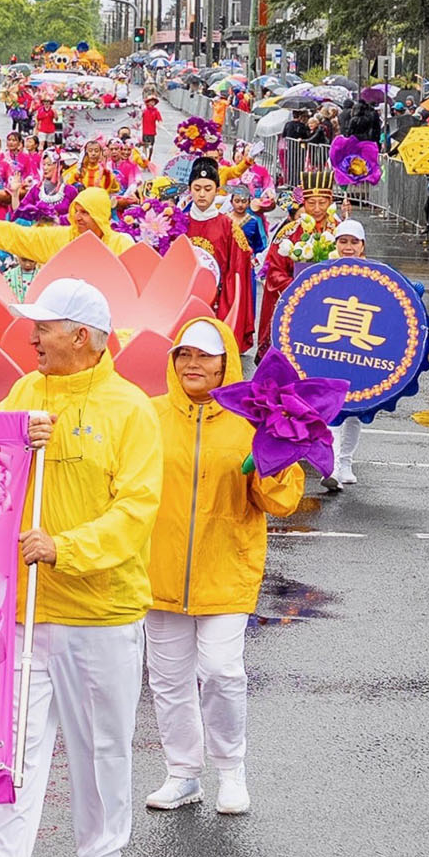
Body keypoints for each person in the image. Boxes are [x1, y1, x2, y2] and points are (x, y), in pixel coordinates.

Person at [0, 278, 163, 857]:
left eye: (46, 326)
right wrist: (9, 434)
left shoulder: (129, 410)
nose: (31, 335)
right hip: (28, 609)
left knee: (100, 746)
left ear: (83, 337)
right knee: (16, 743)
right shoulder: (28, 392)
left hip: (100, 609)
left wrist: (67, 547)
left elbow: (138, 509)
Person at [141, 318, 303, 819]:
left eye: (205, 356)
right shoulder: (146, 416)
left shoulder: (253, 420)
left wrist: (273, 461)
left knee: (221, 671)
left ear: (225, 362)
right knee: (167, 681)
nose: (193, 364)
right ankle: (182, 774)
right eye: (184, 355)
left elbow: (283, 501)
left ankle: (231, 771)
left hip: (227, 568)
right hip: (158, 572)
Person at [0, 183, 134, 262]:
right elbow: (10, 234)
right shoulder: (59, 238)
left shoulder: (122, 244)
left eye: (86, 213)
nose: (78, 217)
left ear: (101, 216)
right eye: (77, 211)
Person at [257, 171, 339, 357]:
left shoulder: (341, 232)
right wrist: (298, 287)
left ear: (331, 201)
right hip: (295, 301)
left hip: (330, 304)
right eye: (311, 203)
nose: (317, 209)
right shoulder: (289, 232)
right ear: (303, 203)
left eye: (322, 202)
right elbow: (274, 269)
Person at [181, 157, 255, 348]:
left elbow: (238, 270)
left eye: (208, 189)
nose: (202, 195)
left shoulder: (228, 225)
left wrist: (225, 303)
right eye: (197, 189)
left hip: (216, 301)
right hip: (182, 297)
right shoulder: (177, 222)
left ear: (217, 190)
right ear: (190, 189)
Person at [322, 219, 368, 491]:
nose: (348, 247)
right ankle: (333, 467)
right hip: (331, 351)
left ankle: (346, 463)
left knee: (355, 412)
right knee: (333, 408)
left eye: (354, 242)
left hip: (361, 353)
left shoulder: (377, 276)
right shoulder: (324, 272)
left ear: (362, 246)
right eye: (343, 241)